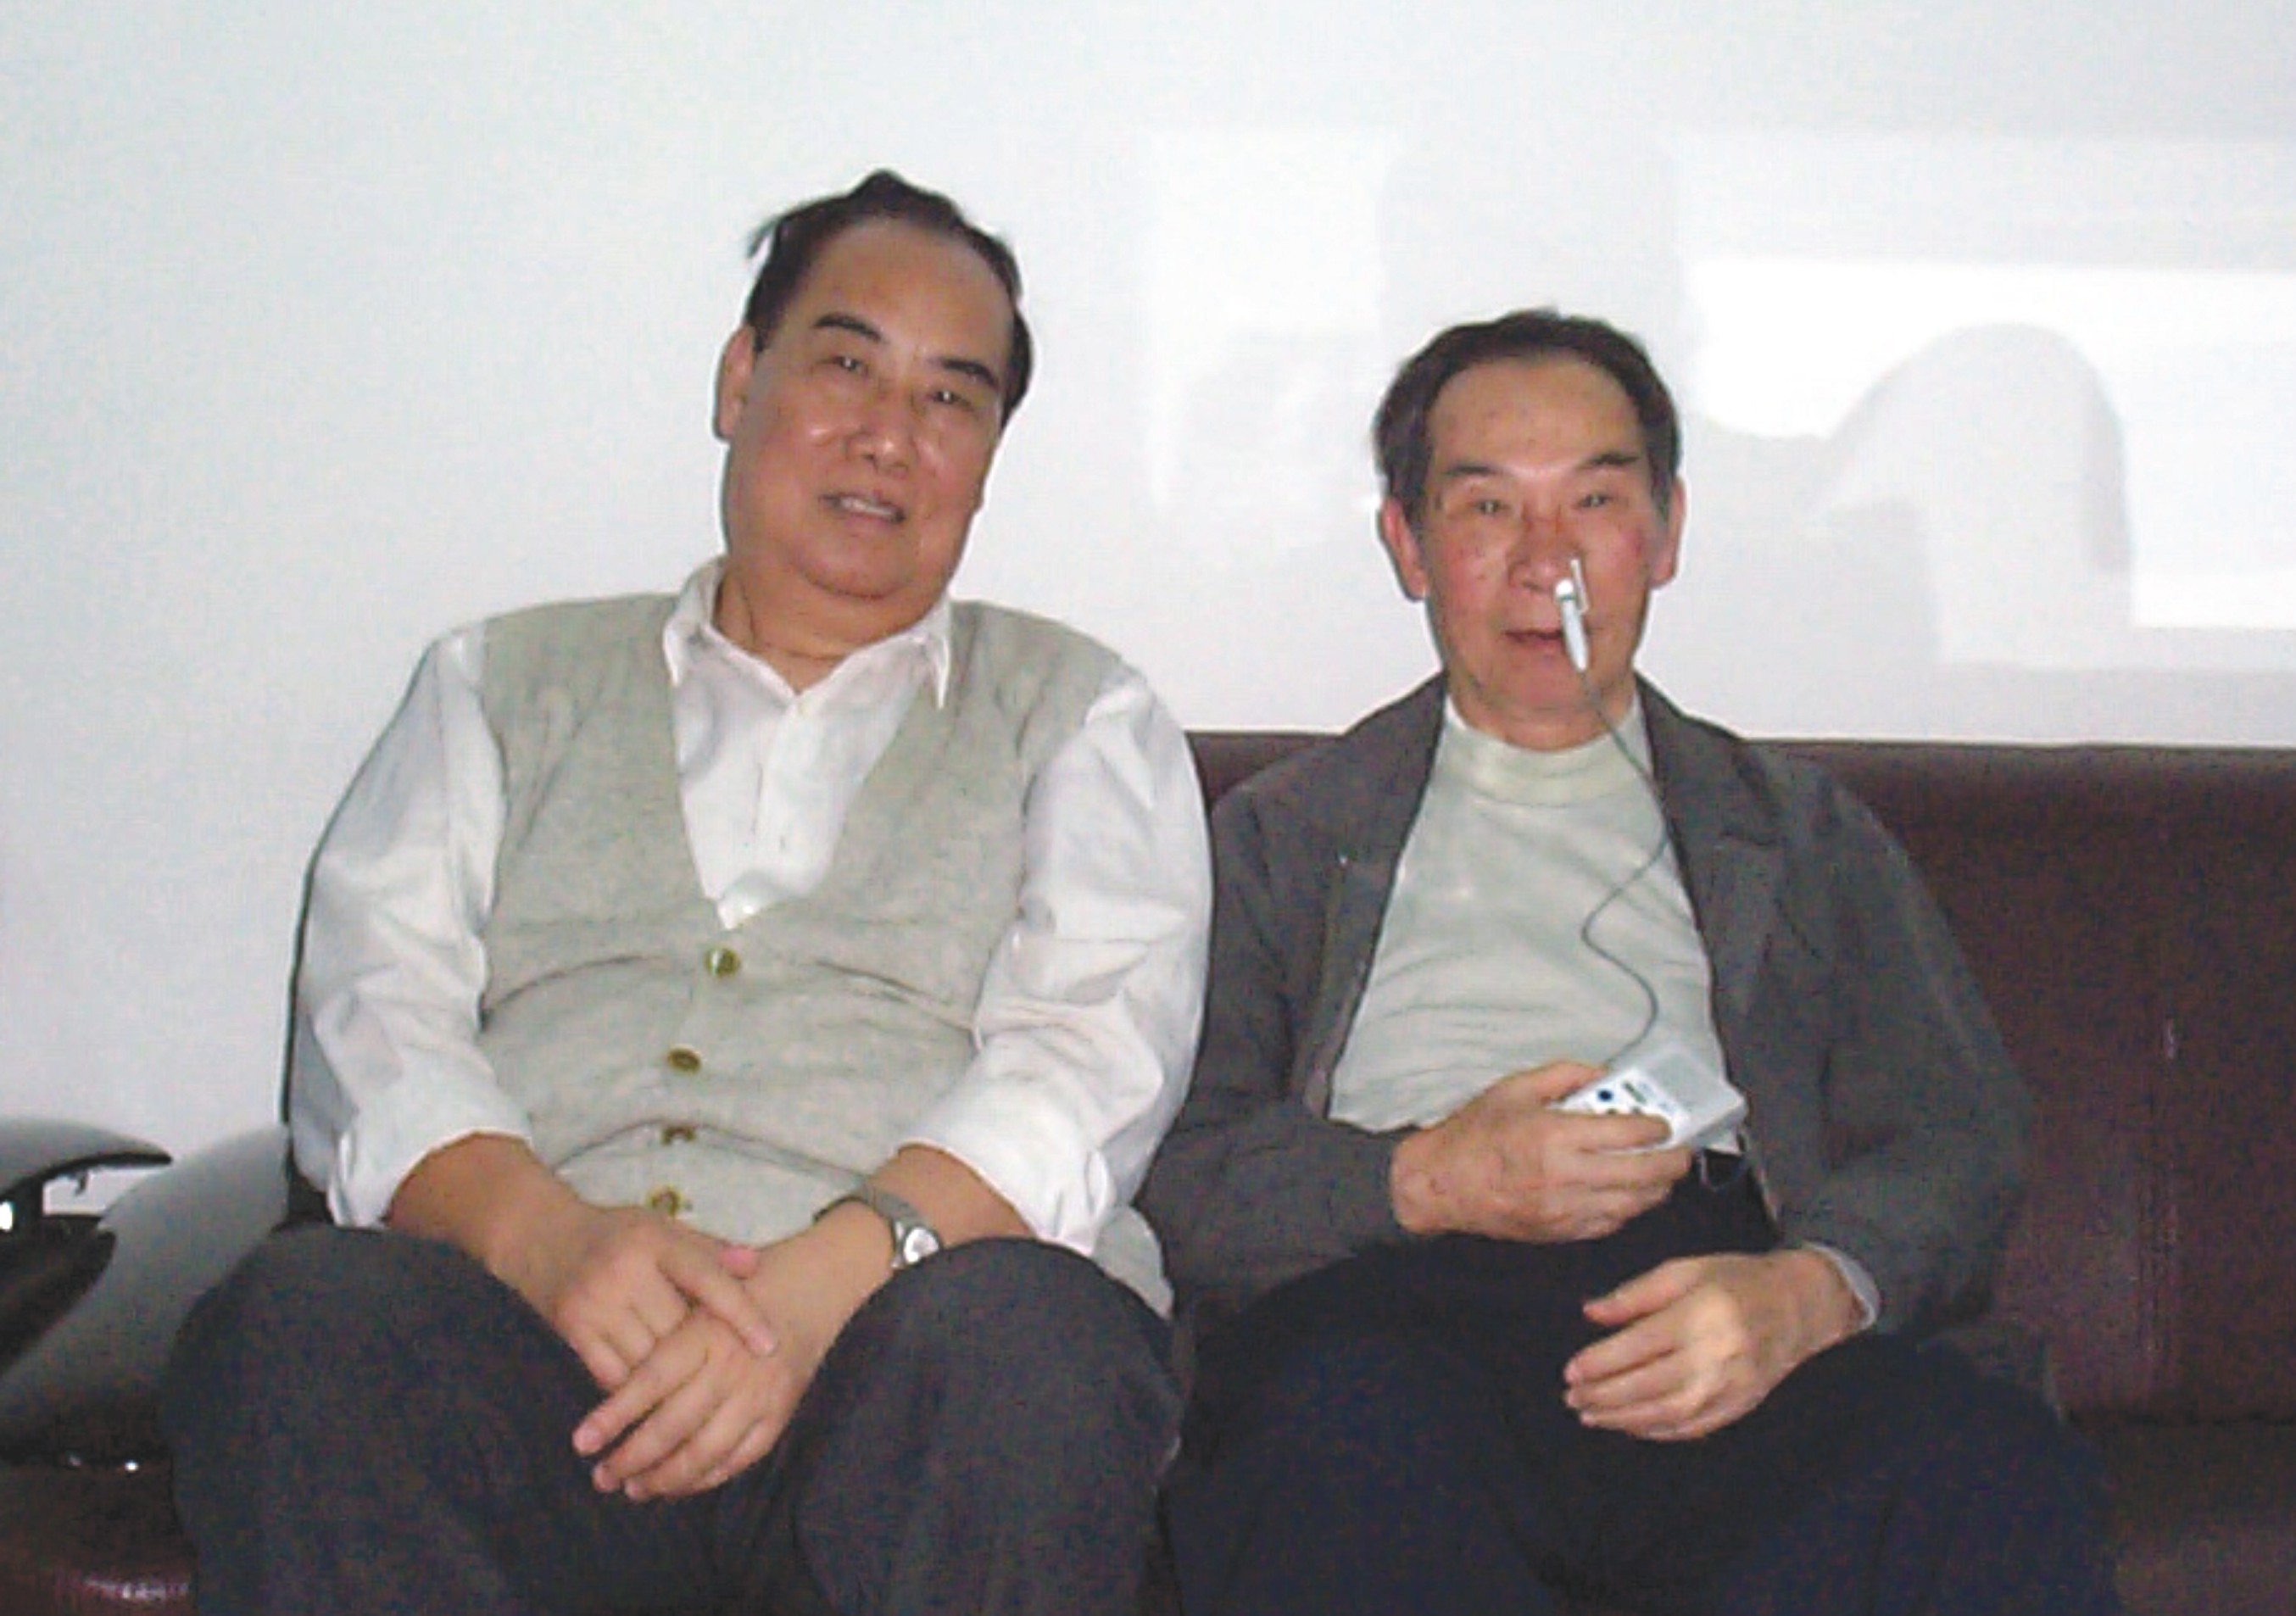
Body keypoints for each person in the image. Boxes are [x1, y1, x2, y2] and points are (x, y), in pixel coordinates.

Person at [161, 170, 1211, 1616]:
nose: (889, 434)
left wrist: (824, 1283)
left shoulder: (1084, 712)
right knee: (303, 1318)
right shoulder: (496, 681)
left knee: (1035, 1342)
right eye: (846, 363)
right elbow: (372, 1011)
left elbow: (1092, 1062)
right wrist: (543, 1238)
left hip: (906, 1387)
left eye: (950, 399)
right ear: (740, 378)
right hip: (534, 1368)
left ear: (986, 458)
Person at [1138, 309, 2122, 1614]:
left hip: (1728, 1304)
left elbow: (1962, 1134)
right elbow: (1177, 1168)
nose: (1546, 561)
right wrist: (1432, 1175)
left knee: (1986, 1468)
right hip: (1396, 1316)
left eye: (1595, 501)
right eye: (1488, 507)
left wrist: (1811, 1290)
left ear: (1665, 535)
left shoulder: (1802, 833)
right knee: (1331, 1443)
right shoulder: (1277, 836)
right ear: (1409, 545)